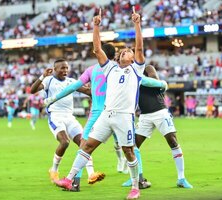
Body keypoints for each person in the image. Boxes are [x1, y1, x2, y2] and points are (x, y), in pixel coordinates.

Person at [54, 7, 149, 200]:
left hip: (124, 116)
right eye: (123, 52)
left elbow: (139, 48)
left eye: (129, 51)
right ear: (118, 57)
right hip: (107, 114)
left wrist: (137, 24)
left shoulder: (137, 69)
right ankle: (70, 178)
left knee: (128, 151)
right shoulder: (110, 68)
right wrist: (96, 26)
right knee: (87, 145)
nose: (127, 52)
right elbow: (97, 48)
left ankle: (135, 187)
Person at [44, 44, 167, 186]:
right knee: (130, 147)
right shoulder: (118, 68)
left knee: (84, 146)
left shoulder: (92, 70)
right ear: (115, 55)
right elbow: (144, 80)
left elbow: (74, 86)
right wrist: (162, 84)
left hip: (97, 113)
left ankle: (75, 182)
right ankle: (139, 179)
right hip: (117, 113)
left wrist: (54, 98)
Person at [30, 58, 104, 191]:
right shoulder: (49, 80)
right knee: (64, 142)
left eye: (66, 68)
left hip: (70, 117)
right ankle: (54, 170)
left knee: (84, 143)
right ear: (55, 69)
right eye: (62, 68)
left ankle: (91, 174)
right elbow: (32, 90)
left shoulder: (71, 81)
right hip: (56, 116)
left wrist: (97, 91)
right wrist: (42, 76)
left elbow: (87, 91)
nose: (65, 70)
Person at [122, 65, 193, 189]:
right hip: (144, 115)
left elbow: (155, 81)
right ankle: (136, 177)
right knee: (132, 146)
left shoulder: (148, 69)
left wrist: (136, 78)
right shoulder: (128, 76)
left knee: (173, 141)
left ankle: (181, 178)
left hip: (160, 112)